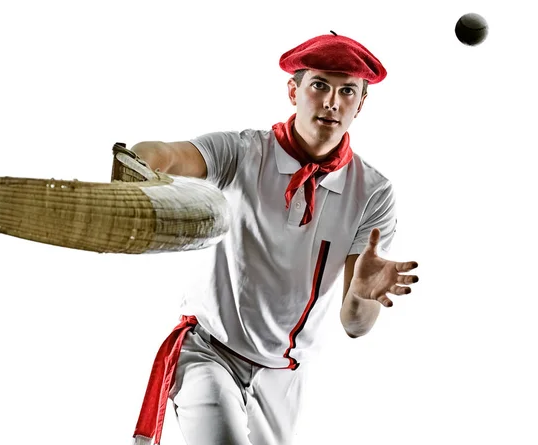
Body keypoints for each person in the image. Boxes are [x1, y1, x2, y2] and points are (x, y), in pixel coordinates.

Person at [128, 31, 420, 445]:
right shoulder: (243, 152)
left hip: (284, 378)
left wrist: (363, 293)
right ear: (294, 90)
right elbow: (169, 155)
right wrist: (137, 164)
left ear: (362, 101)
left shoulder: (373, 191)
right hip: (209, 353)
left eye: (347, 91)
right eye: (319, 85)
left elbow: (355, 325)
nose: (332, 102)